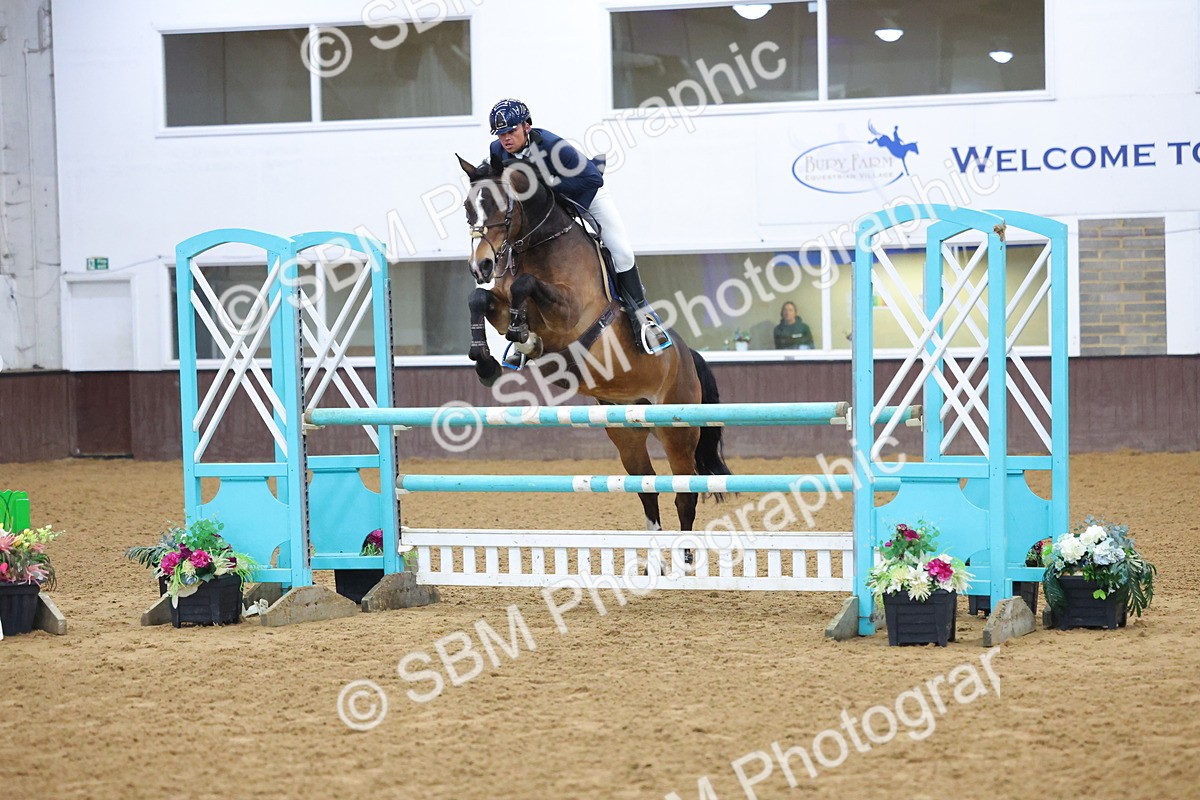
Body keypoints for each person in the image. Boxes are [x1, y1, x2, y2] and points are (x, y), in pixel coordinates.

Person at [484, 98, 670, 353]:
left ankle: (641, 316)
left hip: (586, 197)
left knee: (622, 252)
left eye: (511, 131)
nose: (505, 138)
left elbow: (594, 180)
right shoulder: (497, 150)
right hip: (547, 211)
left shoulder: (553, 146)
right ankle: (522, 329)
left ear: (526, 126)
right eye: (501, 133)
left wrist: (549, 182)